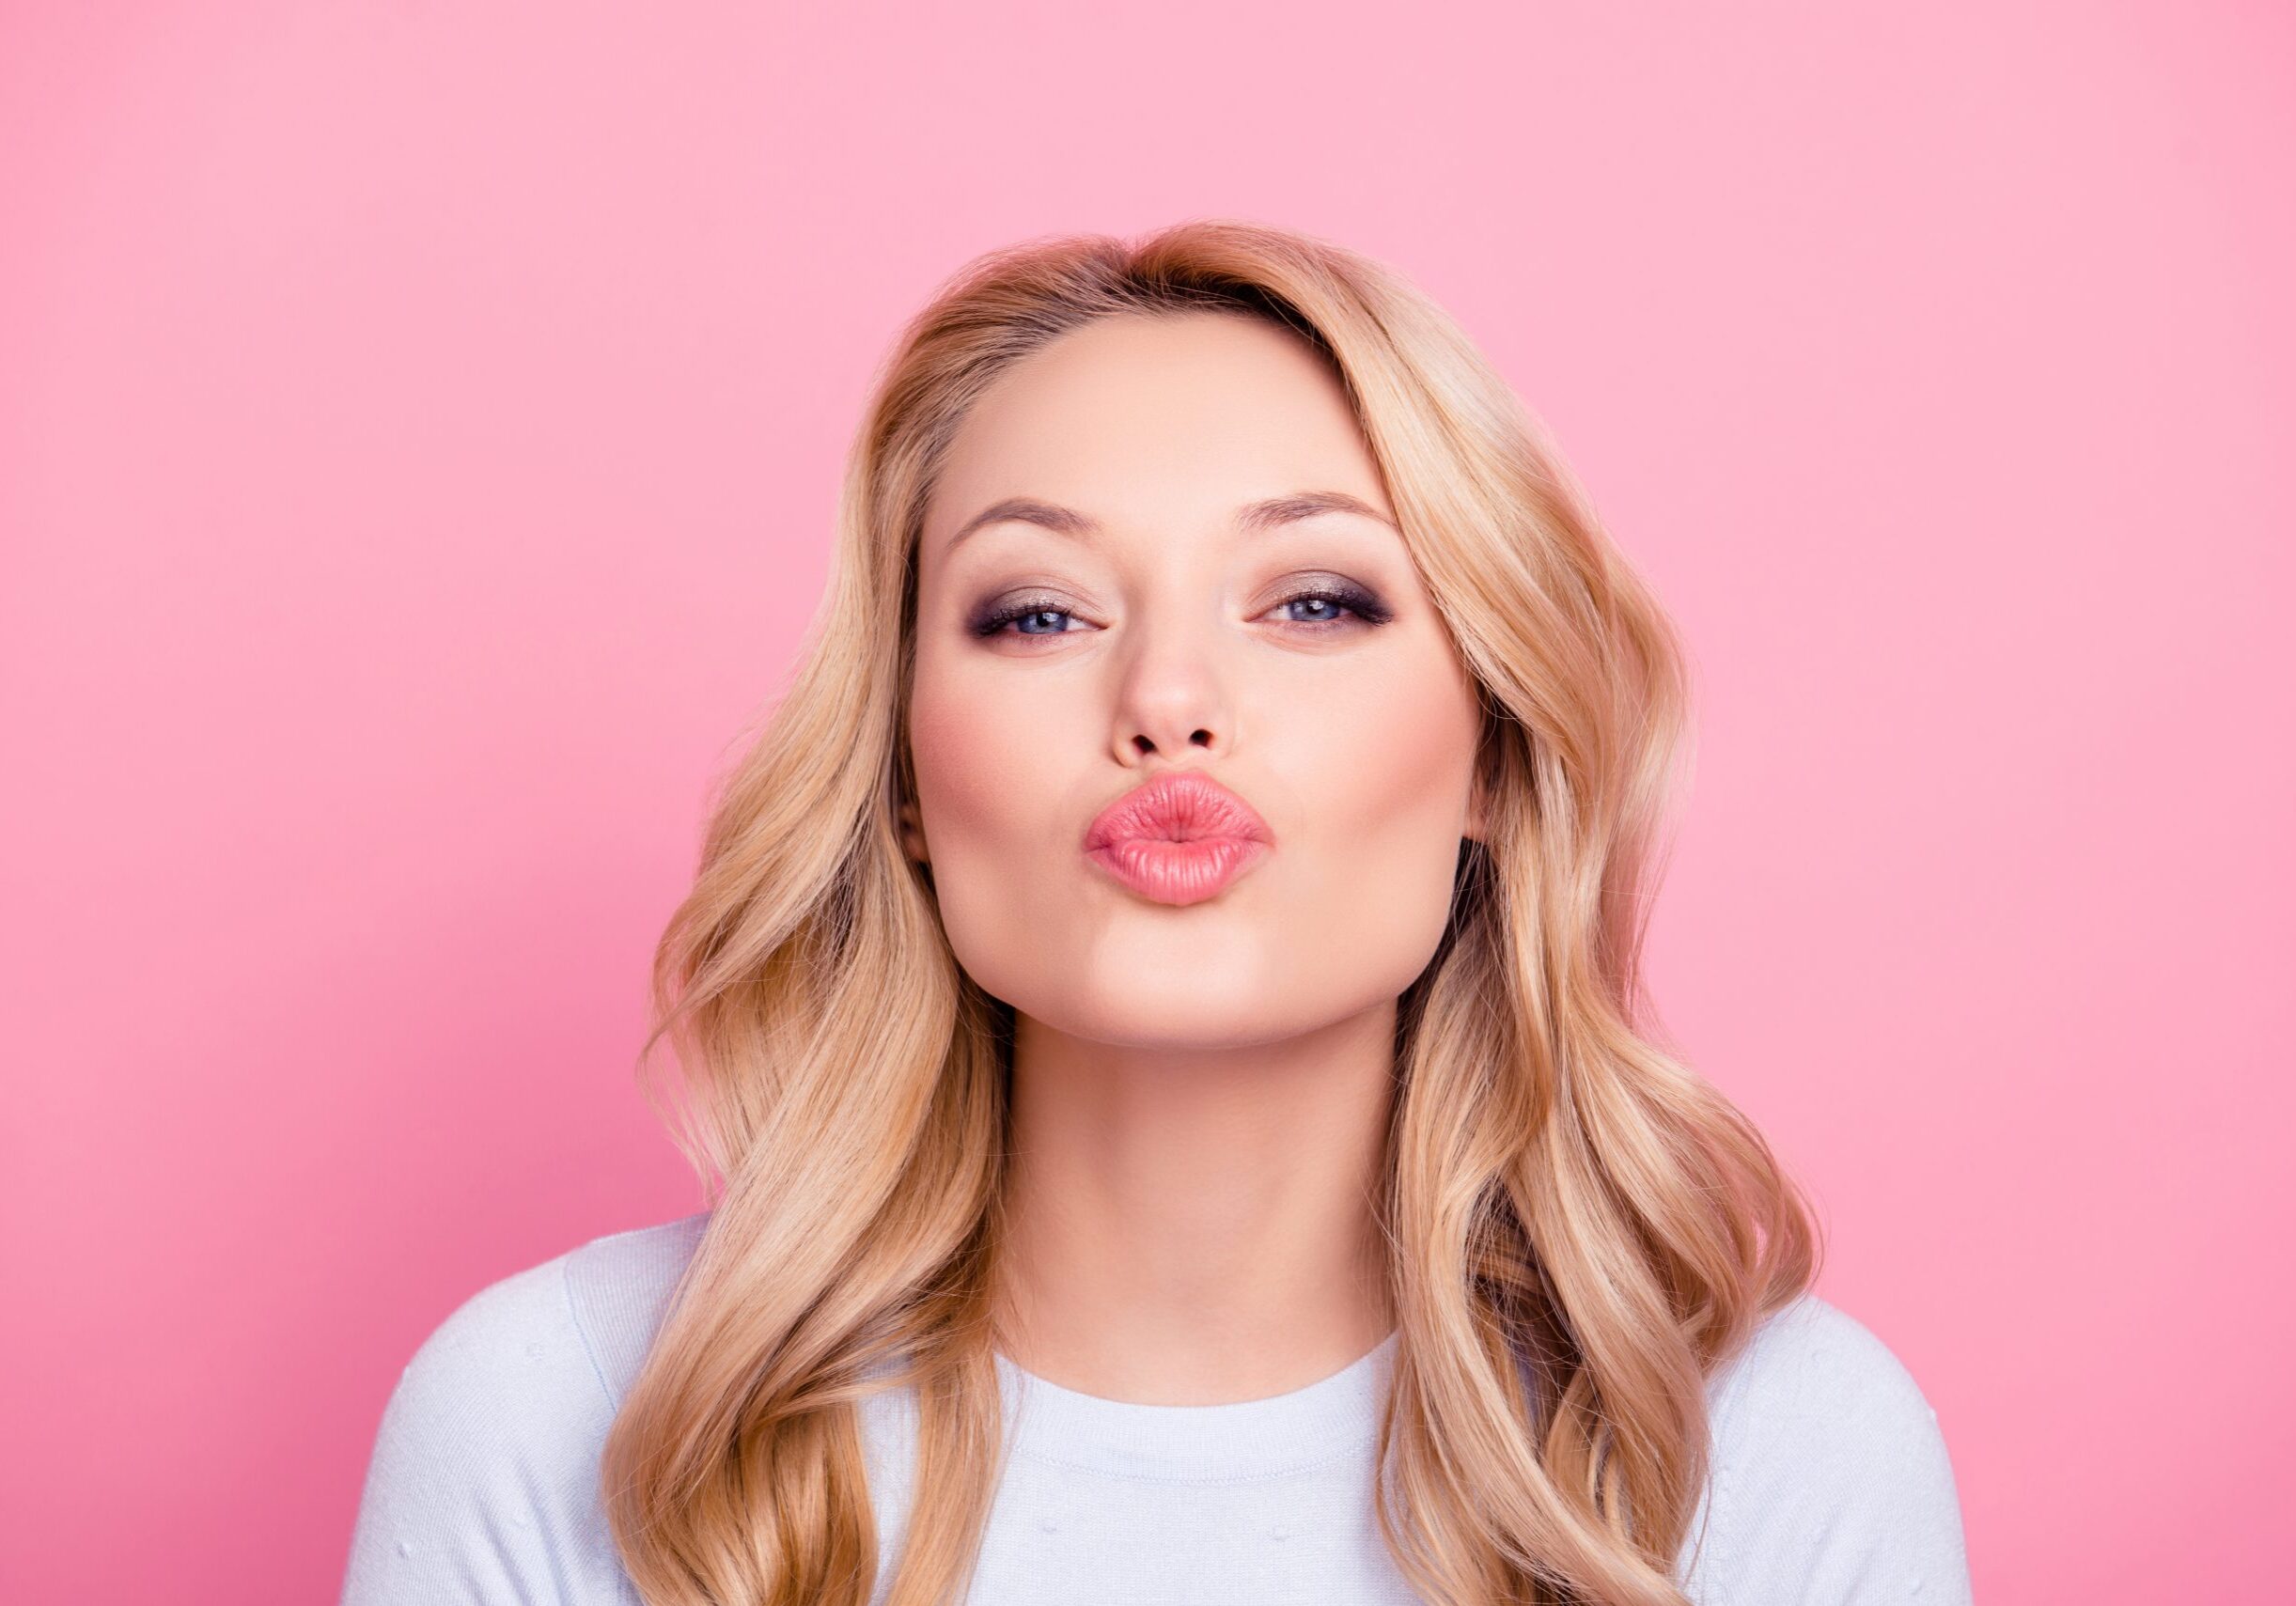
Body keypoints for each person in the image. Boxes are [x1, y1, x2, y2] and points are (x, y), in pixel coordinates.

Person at [338, 220, 1973, 1606]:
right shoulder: (566, 1414)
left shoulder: (1769, 1451)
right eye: (1038, 610)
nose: (1169, 699)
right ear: (903, 779)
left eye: (1316, 601)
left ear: (1495, 746)